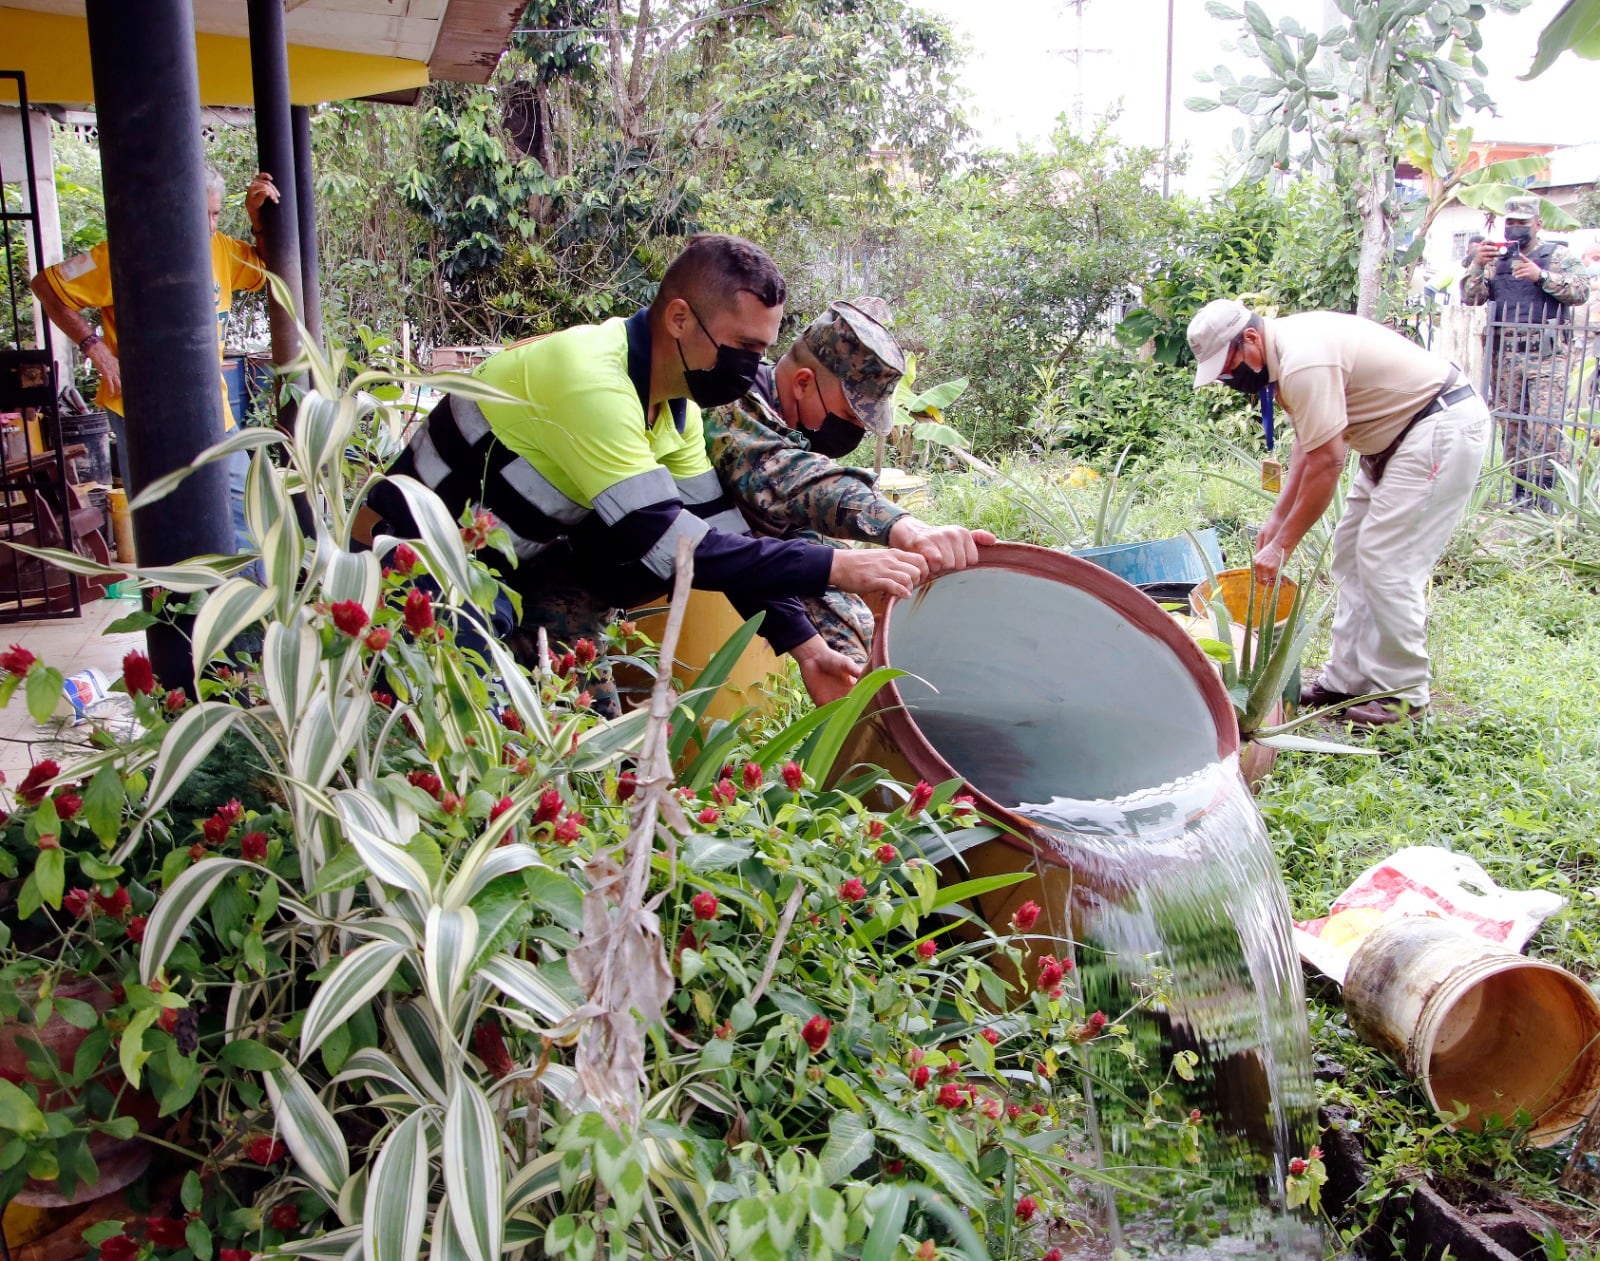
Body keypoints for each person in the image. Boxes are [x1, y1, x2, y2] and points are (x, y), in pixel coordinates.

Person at [363, 234, 928, 714]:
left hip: (492, 576)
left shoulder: (674, 408)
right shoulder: (593, 382)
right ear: (680, 318)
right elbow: (670, 548)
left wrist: (807, 648)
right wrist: (836, 566)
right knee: (471, 737)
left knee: (580, 751)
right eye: (742, 347)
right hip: (404, 562)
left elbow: (719, 533)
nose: (750, 367)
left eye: (761, 349)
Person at [1187, 298, 1490, 727]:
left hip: (1436, 427)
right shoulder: (1283, 355)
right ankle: (1345, 682)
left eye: (1228, 367)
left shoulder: (1303, 361)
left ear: (1250, 338)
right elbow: (1307, 445)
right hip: (1394, 439)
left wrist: (1282, 545)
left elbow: (1328, 463)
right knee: (1349, 555)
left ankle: (1405, 696)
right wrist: (1277, 519)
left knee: (1387, 562)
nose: (1228, 379)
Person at [704, 296, 994, 670]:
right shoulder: (726, 405)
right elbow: (798, 481)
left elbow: (815, 560)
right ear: (803, 383)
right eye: (849, 416)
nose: (853, 433)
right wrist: (902, 526)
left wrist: (857, 661)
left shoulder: (793, 428)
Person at [31, 165, 278, 569]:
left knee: (246, 512)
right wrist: (95, 347)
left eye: (216, 214)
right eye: (201, 214)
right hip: (142, 412)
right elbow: (46, 286)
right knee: (160, 522)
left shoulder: (220, 249)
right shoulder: (126, 251)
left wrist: (257, 217)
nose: (210, 225)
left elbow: (269, 268)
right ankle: (177, 605)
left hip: (212, 409)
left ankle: (251, 605)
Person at [1460, 196, 1590, 506]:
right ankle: (1520, 495)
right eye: (1511, 222)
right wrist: (1478, 265)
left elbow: (1581, 291)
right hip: (1506, 355)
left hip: (1546, 355)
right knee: (1512, 426)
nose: (1515, 227)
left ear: (1538, 224)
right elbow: (1471, 297)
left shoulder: (1557, 256)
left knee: (1547, 427)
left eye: (1523, 222)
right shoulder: (1497, 259)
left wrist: (1541, 276)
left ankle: (1545, 497)